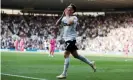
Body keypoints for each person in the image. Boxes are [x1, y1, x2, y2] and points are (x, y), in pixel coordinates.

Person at [55, 3, 96, 79]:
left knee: (66, 54)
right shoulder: (64, 18)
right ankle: (91, 63)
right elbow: (56, 24)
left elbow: (70, 22)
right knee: (76, 56)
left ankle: (64, 74)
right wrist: (62, 15)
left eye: (69, 9)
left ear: (73, 11)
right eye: (67, 8)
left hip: (71, 39)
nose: (68, 10)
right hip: (66, 39)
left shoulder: (74, 17)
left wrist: (66, 15)